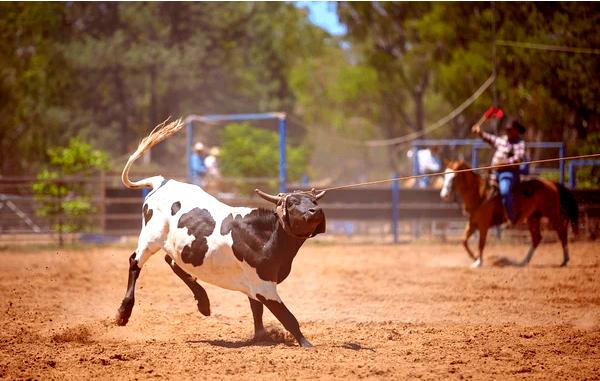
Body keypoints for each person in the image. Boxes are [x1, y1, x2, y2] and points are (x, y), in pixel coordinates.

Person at [472, 117, 527, 225]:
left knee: (505, 191)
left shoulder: (520, 143)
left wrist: (502, 163)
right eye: (507, 129)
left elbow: (519, 158)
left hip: (508, 173)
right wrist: (479, 132)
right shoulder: (503, 139)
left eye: (510, 129)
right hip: (493, 172)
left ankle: (511, 217)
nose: (508, 131)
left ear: (516, 130)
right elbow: (490, 139)